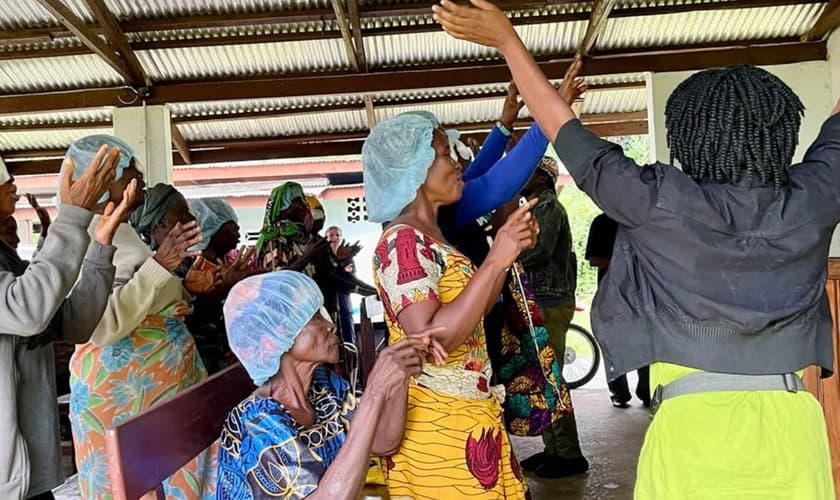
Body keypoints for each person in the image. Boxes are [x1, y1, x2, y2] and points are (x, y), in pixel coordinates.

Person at [434, 2, 837, 497]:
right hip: (794, 430)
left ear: (689, 139)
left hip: (691, 433)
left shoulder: (657, 201)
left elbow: (567, 132)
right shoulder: (817, 195)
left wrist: (508, 42)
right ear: (781, 132)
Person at [364, 110, 538, 498]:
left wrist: (505, 256)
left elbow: (477, 310)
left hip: (468, 414)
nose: (458, 161)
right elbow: (433, 337)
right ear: (415, 170)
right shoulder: (402, 242)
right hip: (438, 426)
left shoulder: (432, 236)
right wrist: (495, 260)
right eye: (444, 153)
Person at [217, 271, 446, 499]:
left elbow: (383, 442)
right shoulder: (258, 421)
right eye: (315, 317)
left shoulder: (324, 386)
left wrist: (401, 375)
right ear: (276, 336)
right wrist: (375, 392)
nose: (330, 325)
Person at [69, 170, 215, 499]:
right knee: (129, 484)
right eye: (131, 170)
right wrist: (161, 265)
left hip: (156, 395)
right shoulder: (90, 236)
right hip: (123, 395)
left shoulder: (125, 235)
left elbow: (148, 304)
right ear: (104, 180)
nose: (141, 179)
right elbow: (105, 324)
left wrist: (187, 289)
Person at [0, 147, 130, 500]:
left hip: (27, 473)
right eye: (2, 176)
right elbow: (27, 311)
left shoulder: (7, 259)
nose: (12, 183)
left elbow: (72, 324)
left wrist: (100, 247)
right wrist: (70, 218)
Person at [517, 156, 589, 477]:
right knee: (543, 374)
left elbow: (538, 251)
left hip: (548, 299)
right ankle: (554, 449)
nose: (523, 177)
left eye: (530, 173)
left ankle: (569, 454)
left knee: (550, 376)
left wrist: (505, 253)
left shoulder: (547, 208)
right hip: (543, 298)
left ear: (544, 179)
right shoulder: (538, 208)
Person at [585, 213, 650, 409]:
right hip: (611, 293)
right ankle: (619, 391)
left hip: (641, 293)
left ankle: (646, 390)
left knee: (644, 340)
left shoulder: (641, 219)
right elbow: (595, 259)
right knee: (612, 341)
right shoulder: (602, 222)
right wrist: (626, 263)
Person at [187, 198, 255, 373]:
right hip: (203, 359)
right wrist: (226, 287)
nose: (239, 234)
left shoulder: (223, 265)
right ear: (213, 227)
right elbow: (193, 317)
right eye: (233, 227)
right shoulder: (190, 266)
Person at [256, 182, 330, 275]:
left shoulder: (301, 238)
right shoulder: (275, 241)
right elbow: (277, 280)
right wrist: (307, 256)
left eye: (302, 200)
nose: (303, 205)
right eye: (297, 201)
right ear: (282, 210)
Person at [326, 225, 358, 344]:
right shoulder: (323, 256)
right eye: (331, 235)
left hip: (344, 298)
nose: (334, 238)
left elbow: (351, 277)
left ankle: (351, 357)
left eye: (337, 235)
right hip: (328, 299)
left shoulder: (348, 257)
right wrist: (342, 272)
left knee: (347, 328)